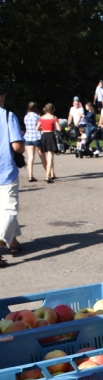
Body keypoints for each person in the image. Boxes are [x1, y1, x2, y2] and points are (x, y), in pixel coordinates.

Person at [0, 84, 25, 266]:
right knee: (9, 209)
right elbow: (17, 146)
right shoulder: (8, 116)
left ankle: (13, 242)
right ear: (2, 96)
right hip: (5, 170)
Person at [37, 103, 60, 182]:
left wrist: (43, 129)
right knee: (50, 157)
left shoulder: (41, 118)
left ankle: (50, 174)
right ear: (53, 109)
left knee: (47, 155)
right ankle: (48, 176)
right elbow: (59, 128)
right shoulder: (54, 117)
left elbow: (37, 128)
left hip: (44, 136)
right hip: (51, 135)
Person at [24, 102, 46, 182]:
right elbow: (40, 127)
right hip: (36, 137)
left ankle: (30, 176)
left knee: (30, 158)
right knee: (42, 157)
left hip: (28, 137)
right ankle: (47, 174)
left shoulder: (26, 117)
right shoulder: (37, 116)